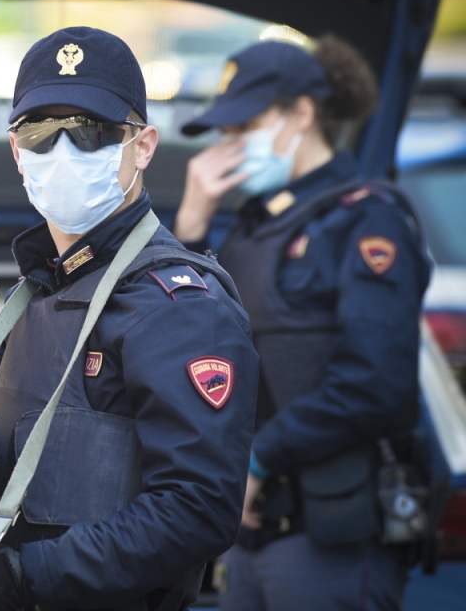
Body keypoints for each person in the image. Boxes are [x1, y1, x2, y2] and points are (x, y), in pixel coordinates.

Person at [0, 26, 259, 611]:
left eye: (91, 132)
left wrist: (26, 578)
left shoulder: (177, 306)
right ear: (16, 151)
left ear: (142, 146)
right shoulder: (30, 293)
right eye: (40, 133)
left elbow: (197, 508)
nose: (63, 153)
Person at [173, 37, 431, 611]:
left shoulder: (367, 219)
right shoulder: (252, 225)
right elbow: (195, 341)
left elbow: (374, 383)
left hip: (332, 535)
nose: (229, 145)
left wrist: (260, 460)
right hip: (252, 534)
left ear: (302, 113)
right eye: (225, 131)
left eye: (245, 126)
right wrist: (190, 230)